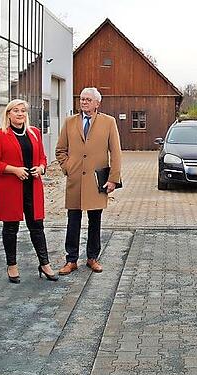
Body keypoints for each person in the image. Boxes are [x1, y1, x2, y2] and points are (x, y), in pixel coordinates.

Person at [56, 87, 122, 275]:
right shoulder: (70, 122)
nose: (83, 102)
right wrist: (68, 167)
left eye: (87, 100)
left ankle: (92, 257)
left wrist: (113, 179)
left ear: (97, 103)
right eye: (82, 99)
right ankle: (71, 259)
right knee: (73, 220)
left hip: (96, 181)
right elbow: (60, 150)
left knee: (95, 220)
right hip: (75, 180)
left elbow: (116, 153)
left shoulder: (108, 122)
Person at [0, 99, 55, 283]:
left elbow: (42, 157)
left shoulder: (34, 133)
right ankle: (12, 265)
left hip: (32, 187)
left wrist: (41, 168)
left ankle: (44, 263)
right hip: (11, 188)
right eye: (16, 110)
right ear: (8, 114)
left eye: (23, 110)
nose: (20, 114)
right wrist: (14, 170)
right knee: (10, 228)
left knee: (37, 227)